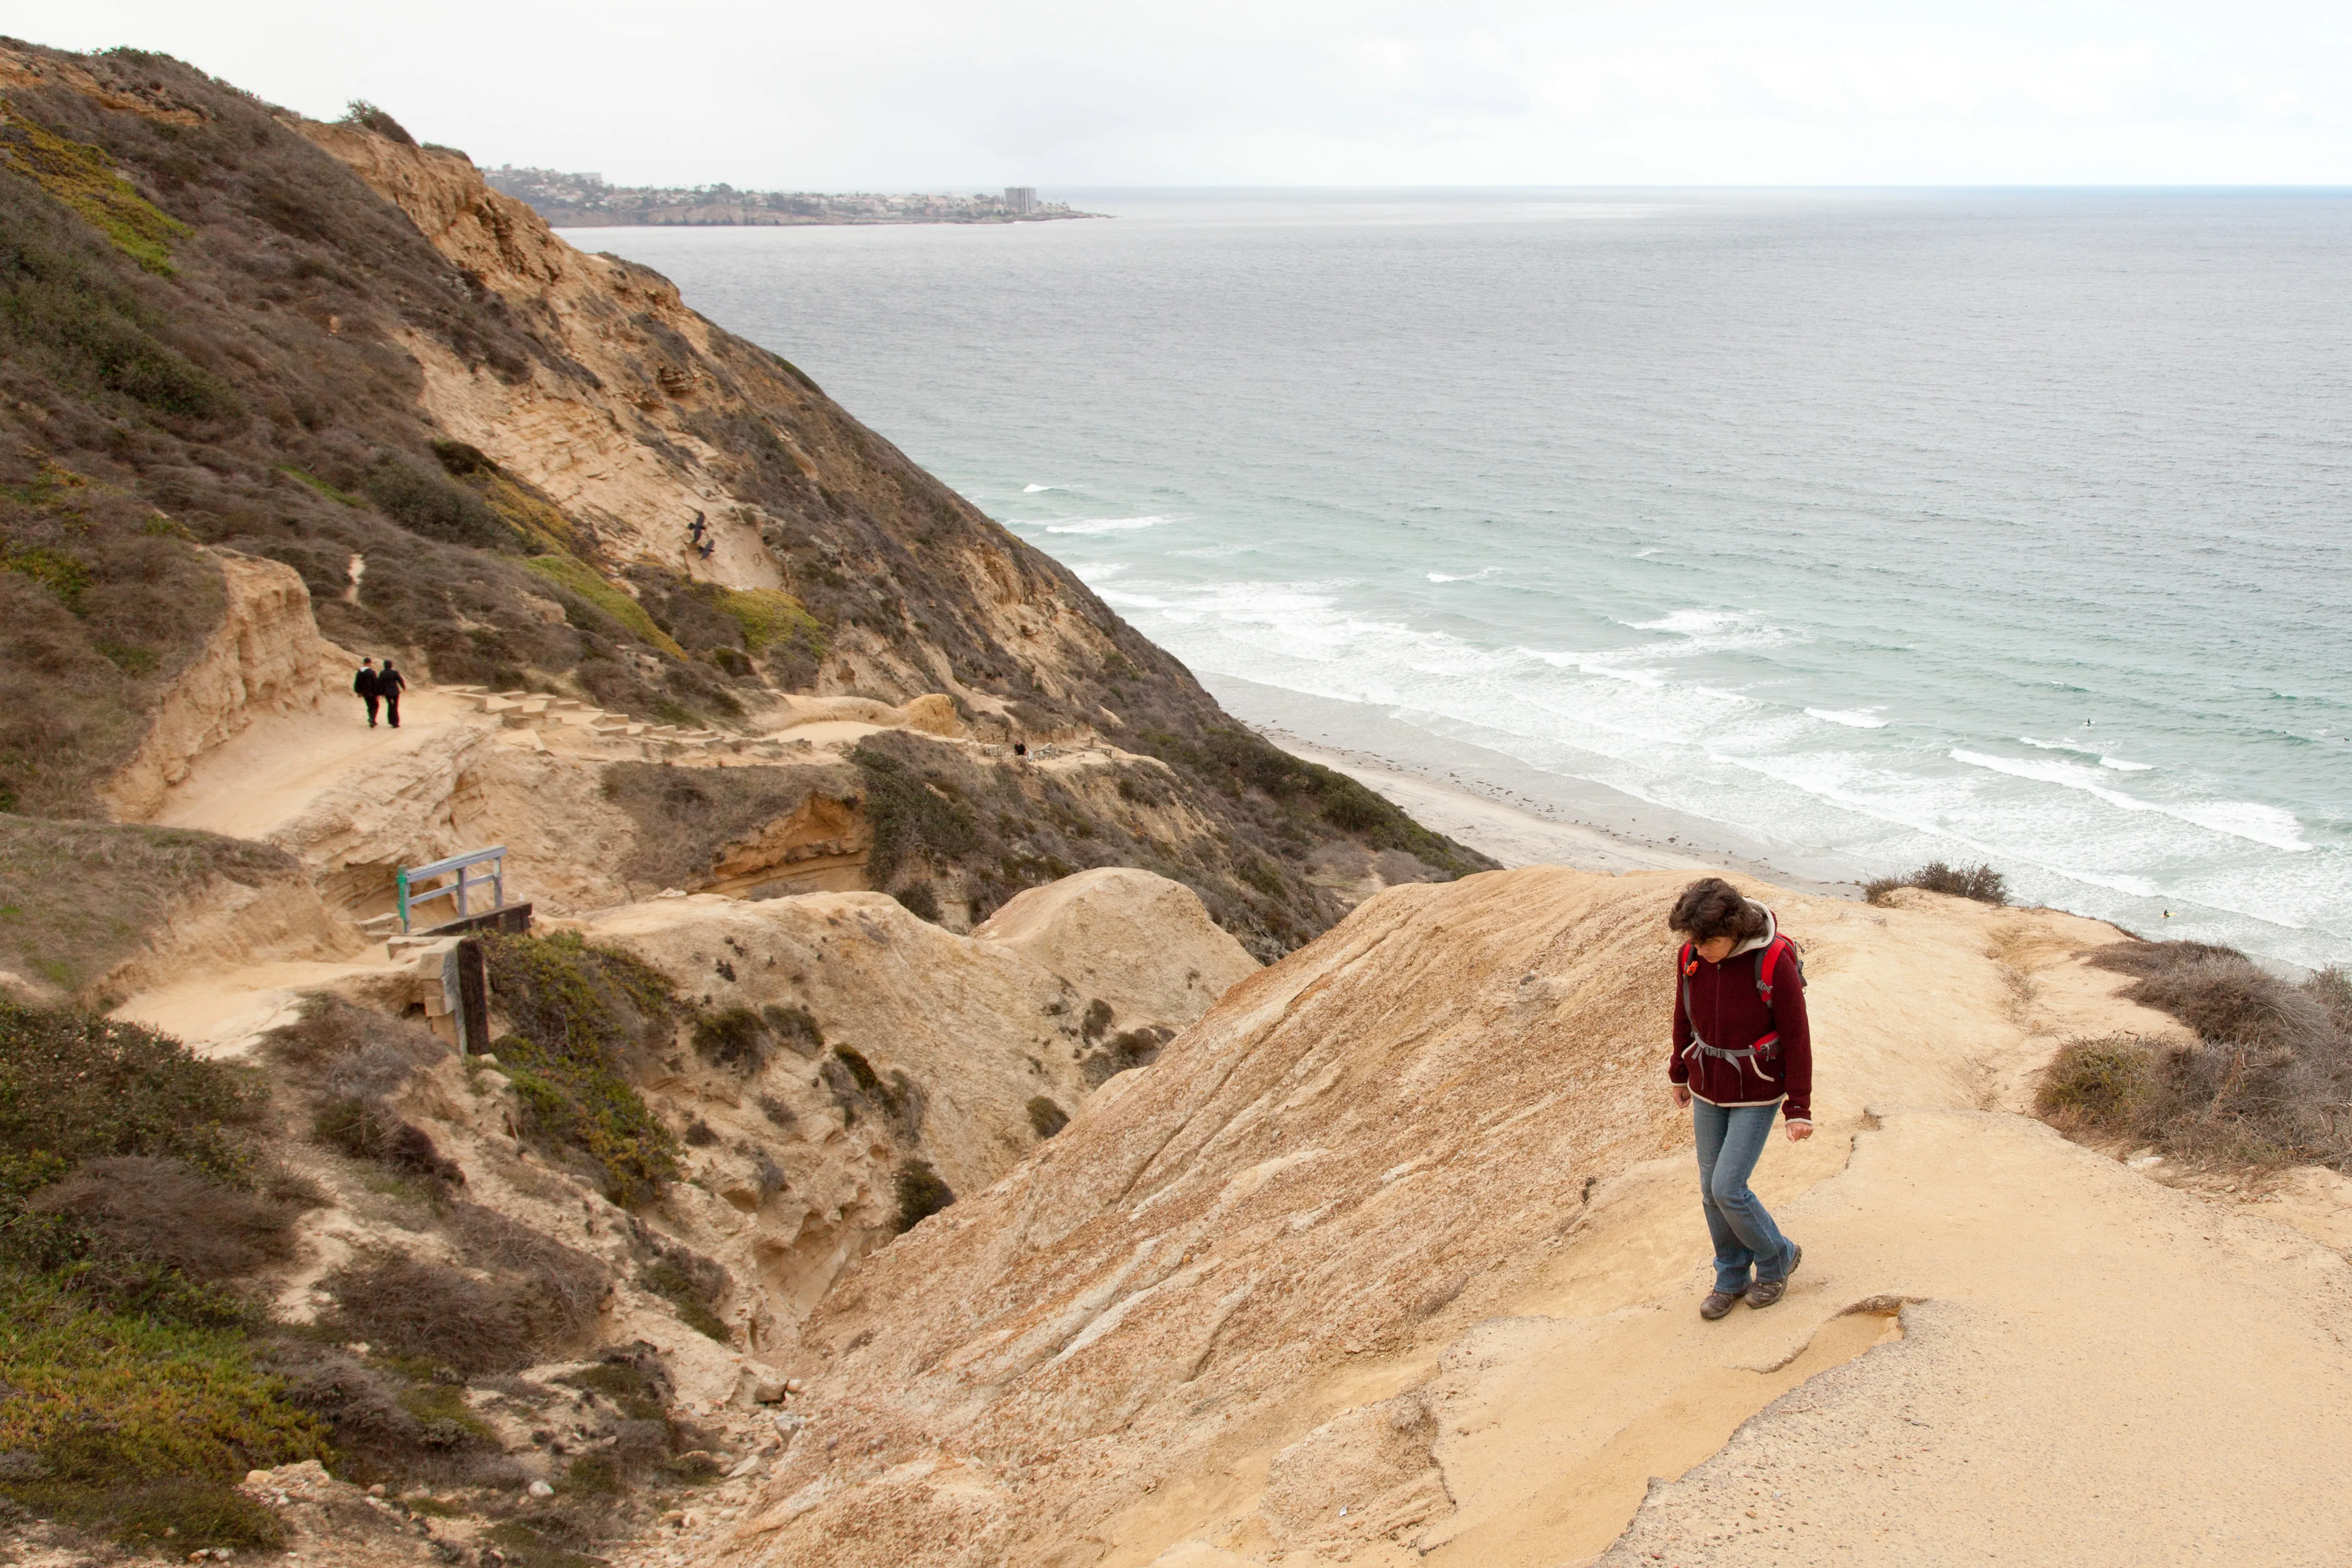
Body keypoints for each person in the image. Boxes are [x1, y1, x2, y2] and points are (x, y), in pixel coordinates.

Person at [1667, 876, 1813, 1319]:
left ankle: (1776, 1259)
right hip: (1707, 1085)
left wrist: (1799, 1107)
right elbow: (1683, 1015)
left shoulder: (1773, 960)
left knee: (1728, 1187)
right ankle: (1730, 1276)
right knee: (1710, 1192)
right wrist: (1678, 1071)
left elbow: (1797, 1036)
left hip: (1758, 1088)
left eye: (1709, 941)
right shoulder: (1691, 955)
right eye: (1695, 940)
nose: (1700, 949)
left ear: (1733, 930)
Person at [376, 658, 406, 729]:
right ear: (391, 665)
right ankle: (396, 723)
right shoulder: (395, 672)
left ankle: (391, 721)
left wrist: (380, 693)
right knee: (395, 706)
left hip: (387, 693)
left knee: (390, 705)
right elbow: (400, 680)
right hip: (395, 692)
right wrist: (403, 687)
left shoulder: (382, 673)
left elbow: (379, 684)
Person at [353, 658, 381, 727]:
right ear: (369, 663)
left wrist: (358, 692)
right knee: (375, 706)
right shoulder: (371, 672)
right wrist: (378, 693)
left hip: (364, 693)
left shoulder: (360, 672)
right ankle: (372, 719)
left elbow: (357, 682)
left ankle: (372, 719)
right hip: (372, 692)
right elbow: (375, 683)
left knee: (369, 706)